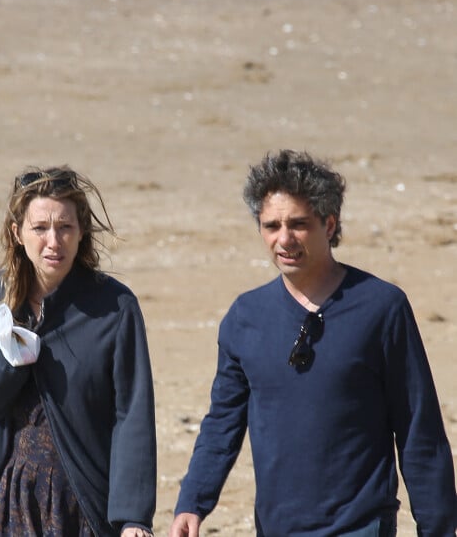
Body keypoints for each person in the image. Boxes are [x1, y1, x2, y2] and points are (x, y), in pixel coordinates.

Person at [170, 149, 456, 536]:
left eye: (299, 224)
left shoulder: (382, 308)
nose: (284, 239)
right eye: (271, 226)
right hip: (277, 528)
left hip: (360, 526)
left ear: (329, 224)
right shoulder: (245, 317)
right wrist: (193, 502)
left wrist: (437, 526)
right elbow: (222, 423)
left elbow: (418, 428)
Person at [0, 166, 156, 537]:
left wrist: (133, 517)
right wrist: (10, 364)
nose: (54, 241)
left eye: (65, 227)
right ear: (17, 233)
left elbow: (132, 413)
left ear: (82, 232)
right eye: (40, 227)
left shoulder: (114, 307)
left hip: (82, 499)